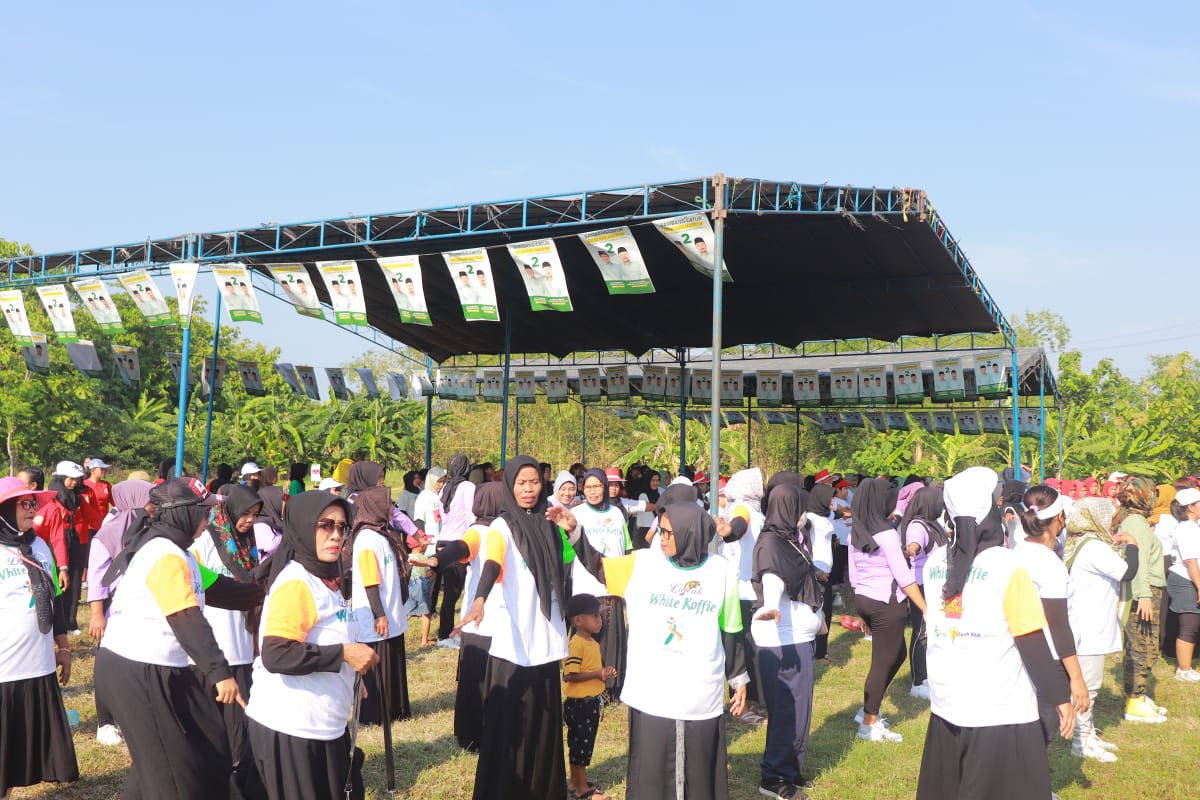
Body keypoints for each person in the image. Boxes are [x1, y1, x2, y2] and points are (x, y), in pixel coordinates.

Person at [566, 500, 749, 800]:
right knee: (650, 773)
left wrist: (738, 678)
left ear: (690, 532)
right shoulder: (643, 563)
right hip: (652, 691)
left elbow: (730, 629)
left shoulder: (721, 571)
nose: (660, 538)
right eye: (660, 530)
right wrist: (575, 532)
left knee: (699, 769)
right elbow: (600, 567)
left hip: (700, 691)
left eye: (668, 532)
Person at [96, 478, 262, 800]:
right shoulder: (164, 554)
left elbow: (219, 591)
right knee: (173, 771)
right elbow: (186, 619)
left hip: (161, 666)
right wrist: (220, 673)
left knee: (201, 746)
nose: (210, 518)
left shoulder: (182, 553)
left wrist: (266, 589)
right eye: (204, 511)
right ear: (182, 514)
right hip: (136, 669)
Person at [916, 467, 1074, 800]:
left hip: (947, 701)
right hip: (999, 708)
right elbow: (1029, 639)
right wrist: (1061, 696)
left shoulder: (934, 562)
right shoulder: (1006, 566)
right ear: (990, 513)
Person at [435, 456, 575, 800]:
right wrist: (480, 597)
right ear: (509, 487)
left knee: (543, 722)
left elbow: (573, 561)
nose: (528, 490)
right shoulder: (502, 526)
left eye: (534, 482)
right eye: (521, 483)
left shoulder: (551, 523)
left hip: (545, 636)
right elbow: (493, 560)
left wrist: (571, 530)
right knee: (510, 721)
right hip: (513, 640)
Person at [245, 491, 380, 800]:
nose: (335, 535)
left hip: (323, 725)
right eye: (325, 525)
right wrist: (344, 654)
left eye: (341, 527)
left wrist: (349, 676)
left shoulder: (327, 577)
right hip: (291, 728)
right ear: (305, 527)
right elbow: (276, 654)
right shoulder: (297, 582)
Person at [0, 476, 78, 799]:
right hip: (4, 670)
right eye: (24, 503)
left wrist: (63, 647)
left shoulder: (40, 546)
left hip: (38, 666)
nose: (32, 509)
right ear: (4, 509)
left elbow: (56, 600)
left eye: (34, 503)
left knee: (17, 758)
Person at [191, 485, 267, 799]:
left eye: (254, 514)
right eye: (245, 513)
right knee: (210, 719)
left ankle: (237, 774)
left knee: (239, 722)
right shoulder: (205, 541)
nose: (249, 520)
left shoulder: (248, 542)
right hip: (213, 641)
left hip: (242, 643)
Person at [752, 484, 824, 799]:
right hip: (782, 641)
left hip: (799, 637)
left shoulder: (789, 538)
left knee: (800, 710)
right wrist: (769, 605)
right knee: (786, 710)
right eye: (799, 507)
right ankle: (773, 777)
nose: (803, 514)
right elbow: (771, 576)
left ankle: (790, 769)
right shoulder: (770, 542)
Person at [849, 477, 926, 742]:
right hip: (886, 603)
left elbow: (854, 574)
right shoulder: (887, 535)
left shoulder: (855, 533)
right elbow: (905, 578)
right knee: (882, 664)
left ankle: (869, 709)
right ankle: (868, 721)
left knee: (898, 654)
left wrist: (863, 612)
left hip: (865, 599)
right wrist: (925, 608)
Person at [1064, 496, 1140, 761]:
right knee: (1088, 688)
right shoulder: (1093, 547)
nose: (1112, 520)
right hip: (1090, 629)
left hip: (1085, 624)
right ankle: (1081, 741)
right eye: (1108, 515)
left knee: (1087, 685)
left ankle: (1087, 735)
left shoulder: (1079, 542)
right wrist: (1133, 545)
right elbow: (1127, 572)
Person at [86, 478, 154, 747]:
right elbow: (96, 579)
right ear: (134, 502)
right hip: (113, 611)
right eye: (148, 500)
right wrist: (97, 615)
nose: (153, 506)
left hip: (140, 609)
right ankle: (105, 722)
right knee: (107, 664)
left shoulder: (149, 530)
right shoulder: (107, 535)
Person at [349, 484, 412, 726]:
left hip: (390, 612)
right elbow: (369, 580)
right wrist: (379, 614)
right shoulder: (366, 539)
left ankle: (395, 710)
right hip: (377, 614)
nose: (391, 508)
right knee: (378, 665)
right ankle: (375, 715)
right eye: (387, 503)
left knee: (392, 663)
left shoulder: (381, 534)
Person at [570, 469, 634, 701]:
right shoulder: (575, 513)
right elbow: (567, 550)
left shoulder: (617, 513)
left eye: (597, 486)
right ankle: (588, 687)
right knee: (588, 640)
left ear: (605, 487)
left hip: (613, 586)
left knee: (612, 639)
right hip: (586, 586)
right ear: (582, 489)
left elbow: (626, 547)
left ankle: (611, 688)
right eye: (588, 487)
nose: (593, 491)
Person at [1113, 477, 1169, 722]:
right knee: (1142, 645)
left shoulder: (1134, 520)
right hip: (1144, 593)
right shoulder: (1136, 523)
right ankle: (1135, 700)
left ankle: (1139, 695)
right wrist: (1144, 595)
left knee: (1143, 644)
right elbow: (1140, 563)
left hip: (1146, 591)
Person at [715, 467, 766, 723]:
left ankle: (749, 701)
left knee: (749, 648)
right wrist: (729, 532)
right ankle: (740, 706)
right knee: (739, 651)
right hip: (739, 589)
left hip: (748, 587)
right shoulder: (741, 508)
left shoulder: (754, 510)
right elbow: (738, 525)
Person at [562, 593, 617, 800]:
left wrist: (603, 671)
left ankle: (575, 782)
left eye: (600, 616)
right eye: (594, 616)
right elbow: (569, 675)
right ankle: (582, 788)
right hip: (581, 705)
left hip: (588, 703)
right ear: (578, 620)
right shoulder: (577, 644)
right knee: (581, 747)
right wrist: (597, 674)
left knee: (578, 745)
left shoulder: (590, 642)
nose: (599, 620)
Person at [899, 486, 949, 699]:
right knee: (922, 632)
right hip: (922, 585)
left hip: (936, 585)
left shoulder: (933, 524)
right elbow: (913, 546)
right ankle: (918, 681)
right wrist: (909, 551)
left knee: (935, 631)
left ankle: (931, 674)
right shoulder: (918, 526)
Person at [435, 454, 476, 646]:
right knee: (457, 592)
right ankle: (447, 635)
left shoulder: (445, 487)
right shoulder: (468, 487)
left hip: (443, 540)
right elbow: (471, 515)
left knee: (449, 594)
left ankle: (446, 633)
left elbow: (443, 516)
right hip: (459, 543)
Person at [1167, 487, 1200, 682]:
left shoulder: (1194, 526)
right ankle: (1183, 669)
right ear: (1191, 507)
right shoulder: (1186, 529)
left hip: (1192, 578)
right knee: (1189, 625)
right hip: (1186, 579)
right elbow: (1190, 561)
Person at [805, 484, 837, 661]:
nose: (833, 501)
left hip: (827, 571)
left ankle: (821, 651)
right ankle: (813, 650)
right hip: (816, 572)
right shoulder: (809, 519)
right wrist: (816, 572)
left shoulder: (826, 516)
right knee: (815, 611)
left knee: (827, 611)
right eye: (830, 497)